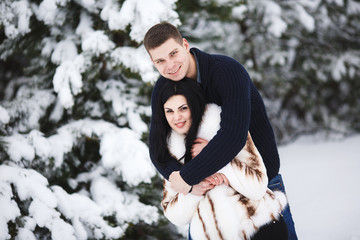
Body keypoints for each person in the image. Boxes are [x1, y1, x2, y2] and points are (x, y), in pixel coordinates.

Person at [144, 22, 298, 239]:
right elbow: (157, 146)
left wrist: (188, 177)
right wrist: (183, 183)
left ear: (185, 45)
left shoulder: (226, 71)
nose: (169, 65)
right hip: (206, 199)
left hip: (256, 185)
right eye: (160, 61)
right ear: (152, 62)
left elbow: (232, 135)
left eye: (173, 53)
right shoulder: (164, 88)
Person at [156, 78, 288, 240]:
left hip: (259, 227)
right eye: (169, 111)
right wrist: (194, 189)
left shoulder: (225, 128)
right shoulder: (171, 149)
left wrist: (215, 157)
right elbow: (175, 216)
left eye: (183, 108)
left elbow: (258, 187)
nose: (177, 117)